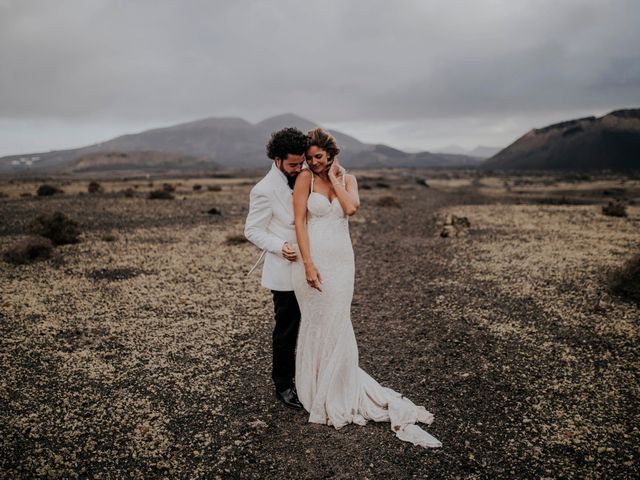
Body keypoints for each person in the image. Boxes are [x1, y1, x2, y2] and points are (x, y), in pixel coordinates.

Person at [290, 127, 442, 448]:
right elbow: (299, 222)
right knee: (318, 322)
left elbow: (351, 208)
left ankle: (339, 385)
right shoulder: (304, 179)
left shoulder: (348, 179)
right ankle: (317, 388)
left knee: (338, 321)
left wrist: (334, 177)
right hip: (313, 258)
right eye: (310, 158)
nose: (314, 162)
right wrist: (307, 263)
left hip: (343, 262)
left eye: (319, 157)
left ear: (331, 154)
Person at [244, 127, 308, 409]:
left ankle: (309, 378)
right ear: (277, 159)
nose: (298, 168)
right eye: (293, 164)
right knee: (287, 329)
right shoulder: (263, 190)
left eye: (301, 162)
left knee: (312, 326)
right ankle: (283, 385)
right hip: (284, 270)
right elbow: (252, 230)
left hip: (312, 266)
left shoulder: (306, 176)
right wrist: (280, 245)